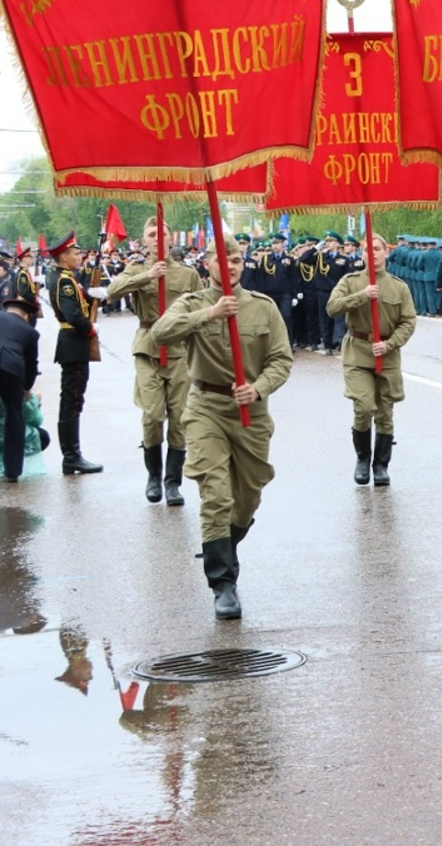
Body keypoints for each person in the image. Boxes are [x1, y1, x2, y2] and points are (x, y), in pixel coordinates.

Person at [150, 233, 293, 619]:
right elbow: (159, 333)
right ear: (206, 263)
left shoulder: (263, 308)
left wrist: (259, 388)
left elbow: (282, 360)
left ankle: (224, 546)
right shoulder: (193, 303)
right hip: (205, 407)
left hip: (251, 412)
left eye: (235, 260)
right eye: (221, 259)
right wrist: (209, 315)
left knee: (247, 498)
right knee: (215, 493)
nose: (228, 266)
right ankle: (223, 583)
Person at [105, 216, 204, 503]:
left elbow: (201, 311)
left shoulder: (188, 275)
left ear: (171, 240)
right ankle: (153, 476)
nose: (157, 239)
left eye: (162, 234)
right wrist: (146, 278)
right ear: (144, 240)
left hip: (179, 350)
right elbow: (112, 291)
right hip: (148, 348)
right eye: (151, 234)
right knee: (151, 415)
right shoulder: (136, 268)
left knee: (179, 417)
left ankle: (172, 482)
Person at [325, 235, 416, 486]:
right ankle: (363, 459)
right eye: (368, 250)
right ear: (362, 255)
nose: (372, 253)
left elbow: (409, 321)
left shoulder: (399, 287)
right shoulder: (351, 281)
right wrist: (363, 296)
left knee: (385, 412)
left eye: (377, 249)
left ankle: (381, 465)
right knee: (364, 407)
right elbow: (332, 307)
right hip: (357, 351)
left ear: (386, 253)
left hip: (386, 353)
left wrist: (389, 343)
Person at [47, 233, 103, 475]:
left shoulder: (66, 277)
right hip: (74, 342)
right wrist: (90, 328)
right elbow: (73, 315)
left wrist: (92, 295)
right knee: (72, 402)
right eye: (75, 253)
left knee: (72, 400)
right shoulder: (65, 281)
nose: (79, 256)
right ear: (63, 257)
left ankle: (72, 455)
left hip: (72, 343)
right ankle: (72, 457)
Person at [0, 294, 41, 482]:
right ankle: (13, 471)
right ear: (26, 317)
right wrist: (26, 388)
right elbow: (31, 364)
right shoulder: (30, 332)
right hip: (11, 368)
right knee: (14, 415)